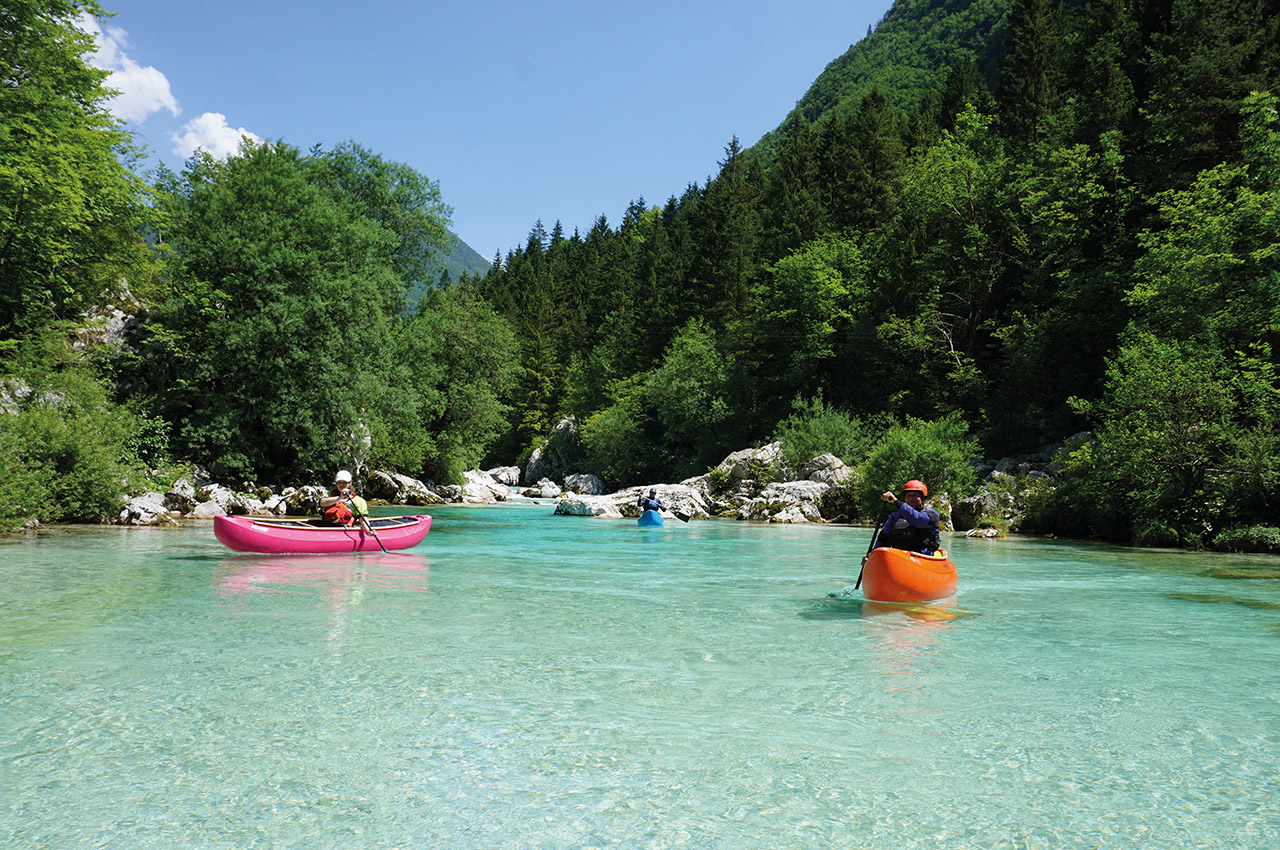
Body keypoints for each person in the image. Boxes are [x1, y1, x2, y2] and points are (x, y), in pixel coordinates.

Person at [872, 479, 940, 555]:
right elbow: (883, 540)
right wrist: (872, 556)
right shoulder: (895, 517)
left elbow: (916, 518)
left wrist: (896, 501)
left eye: (915, 495)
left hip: (922, 557)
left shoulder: (932, 515)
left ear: (922, 498)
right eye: (908, 495)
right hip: (898, 557)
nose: (911, 499)